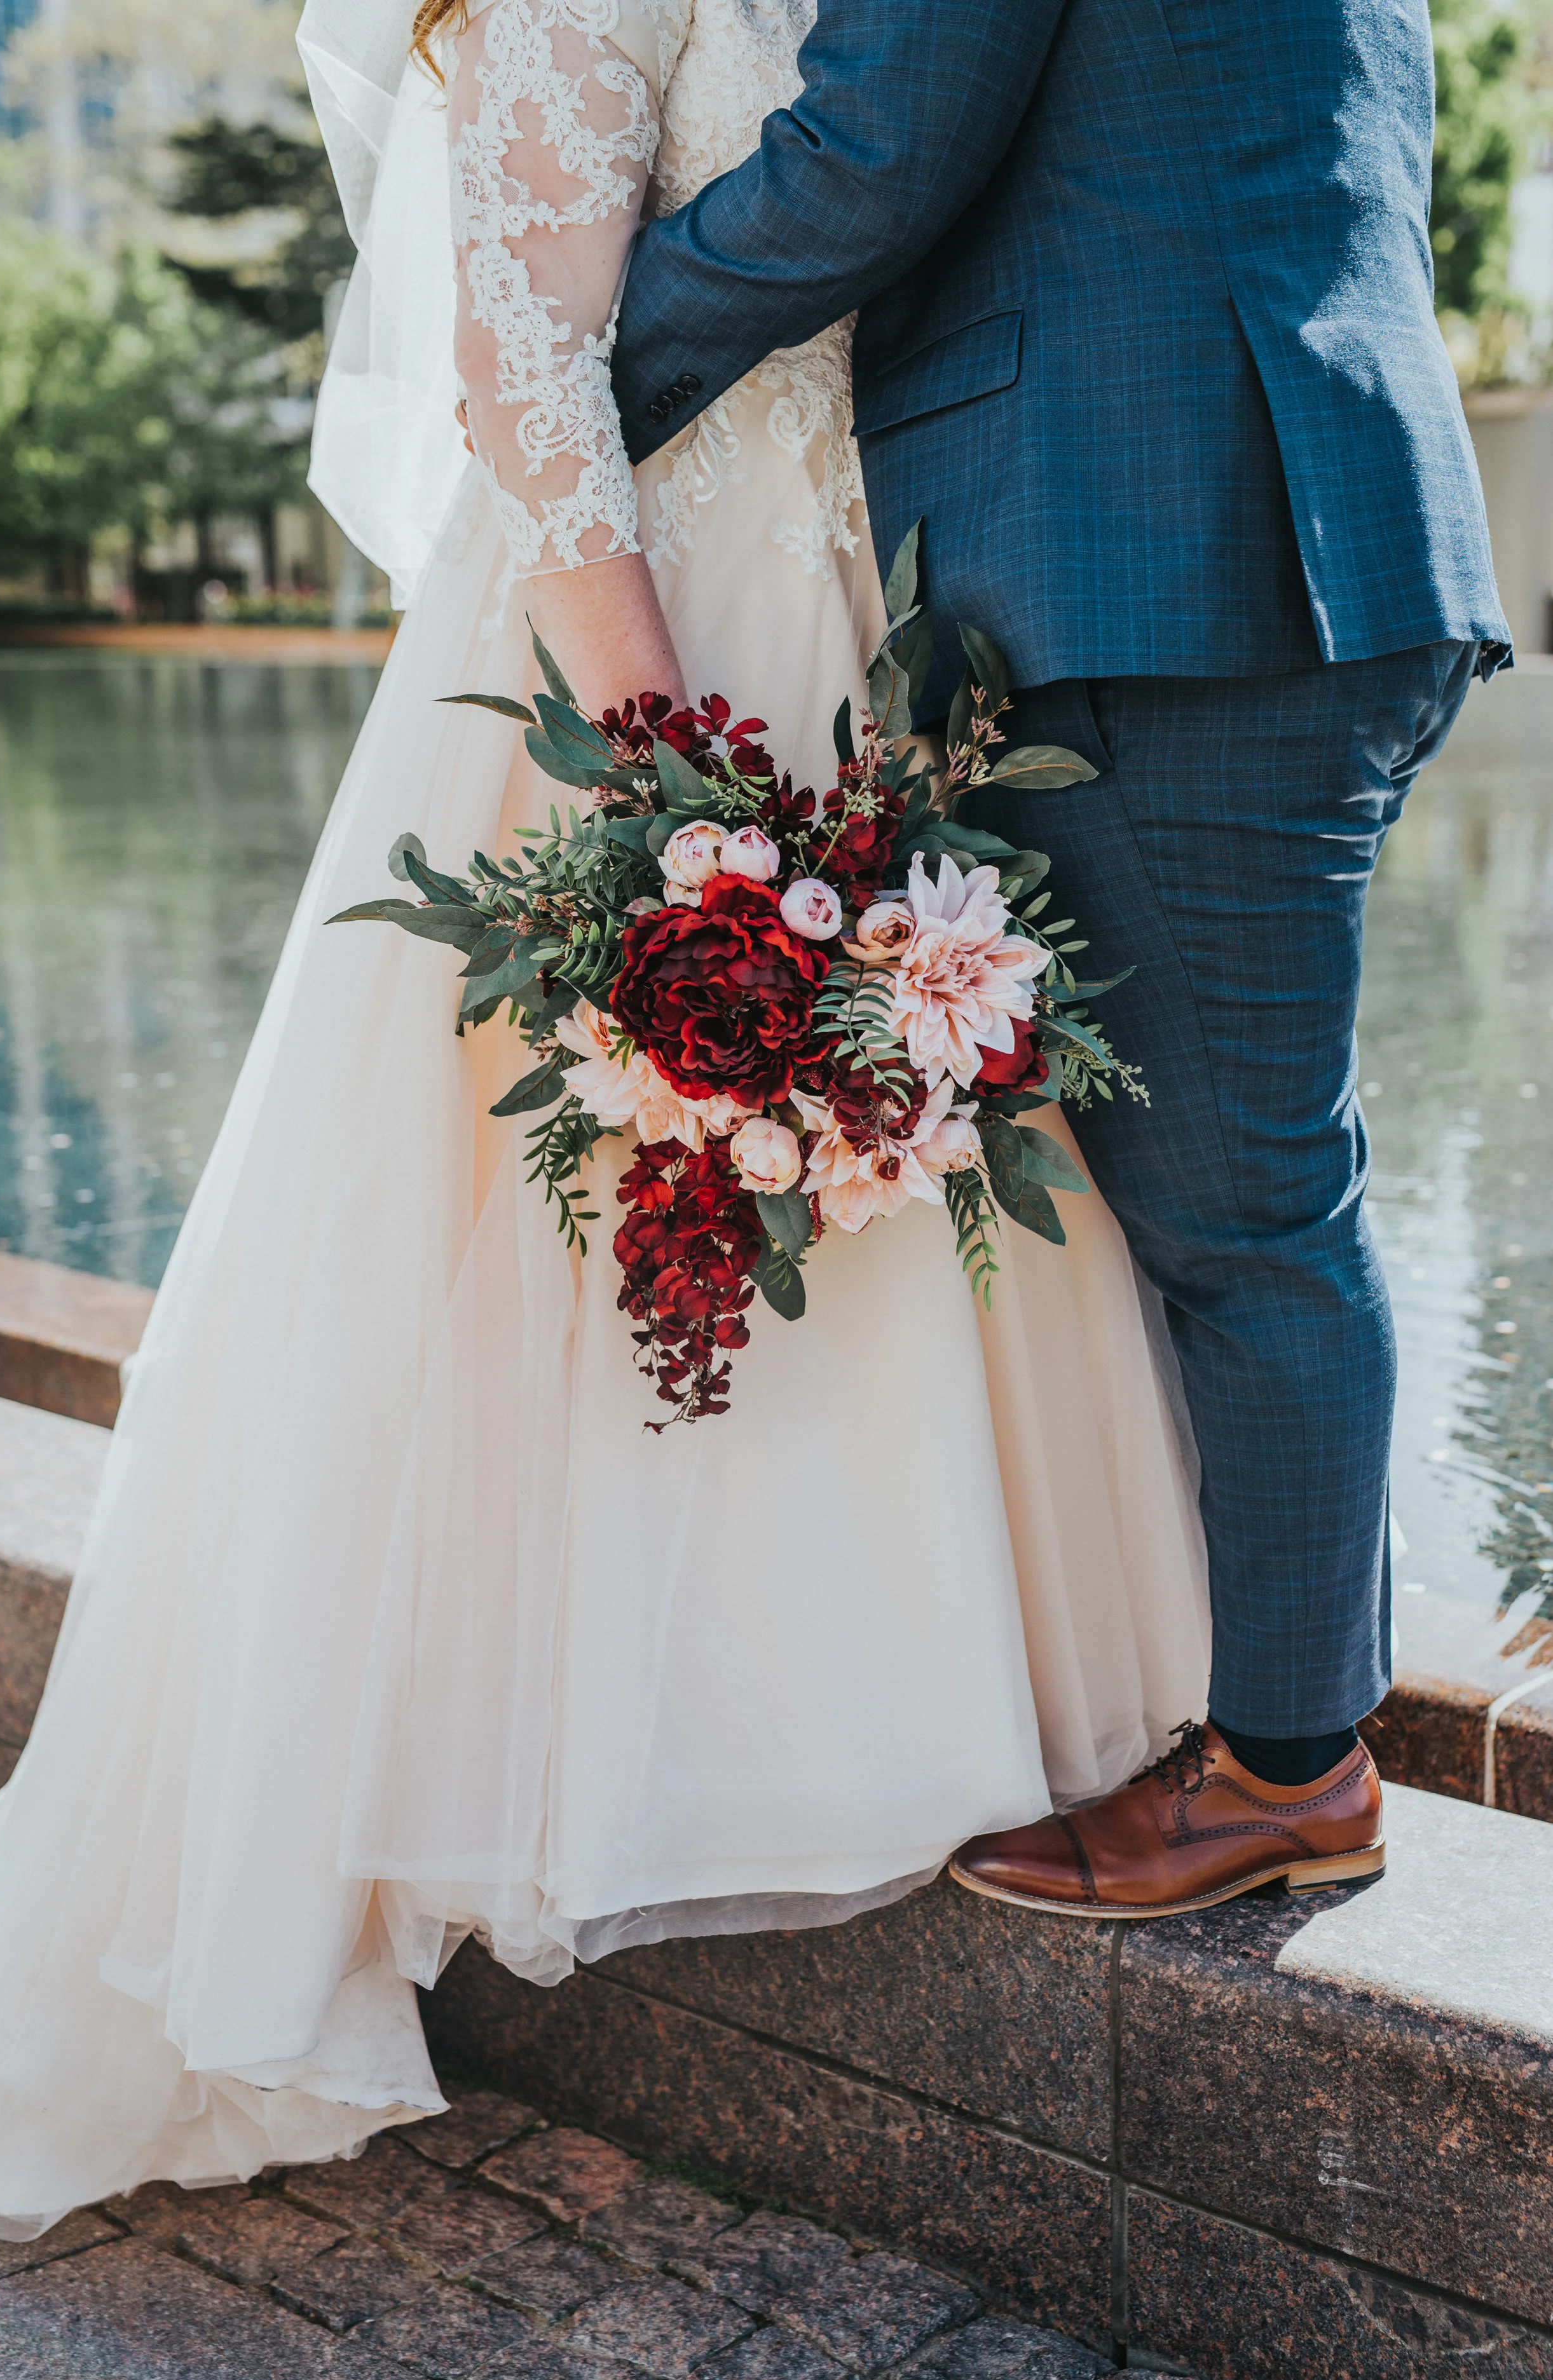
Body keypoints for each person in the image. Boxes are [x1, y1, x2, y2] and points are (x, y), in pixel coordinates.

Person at [0, 0, 1216, 2241]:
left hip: (860, 622)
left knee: (867, 1190)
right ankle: (551, 1779)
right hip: (651, 649)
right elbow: (526, 375)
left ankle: (852, 1708)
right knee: (615, 1202)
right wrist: (664, 784)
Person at [605, 0, 1508, 1915]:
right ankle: (1265, 1715)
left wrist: (561, 390)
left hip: (1164, 555)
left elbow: (878, 146)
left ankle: (1286, 1767)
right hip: (1271, 519)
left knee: (1245, 1210)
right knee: (1246, 1189)